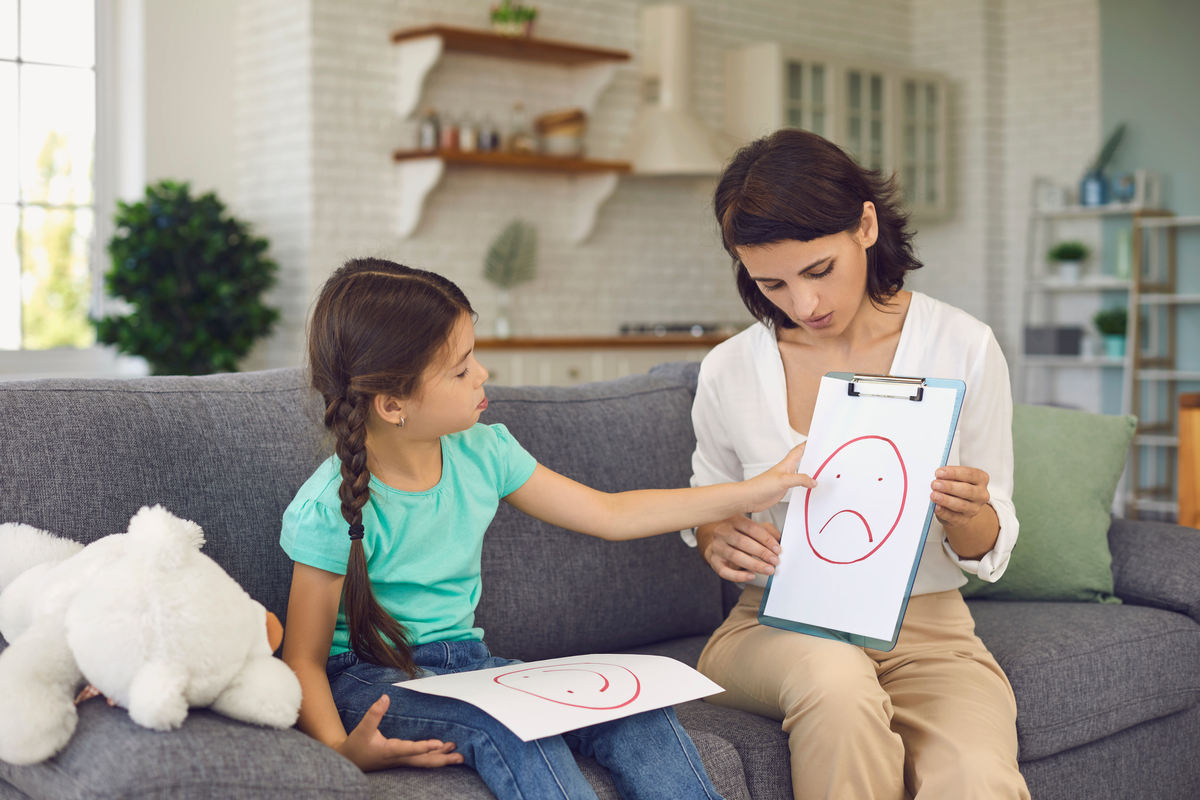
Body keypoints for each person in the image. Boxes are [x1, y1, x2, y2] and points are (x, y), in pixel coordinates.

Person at [280, 258, 815, 800]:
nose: (483, 374)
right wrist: (342, 750)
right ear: (393, 404)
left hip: (469, 665)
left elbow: (610, 514)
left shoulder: (486, 452)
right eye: (461, 369)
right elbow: (303, 658)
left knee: (632, 712)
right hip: (371, 682)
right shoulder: (329, 509)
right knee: (511, 728)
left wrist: (755, 491)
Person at [686, 129, 1030, 800]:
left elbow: (990, 546)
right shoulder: (729, 369)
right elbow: (707, 508)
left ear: (866, 224)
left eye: (819, 271)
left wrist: (969, 513)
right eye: (771, 283)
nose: (804, 305)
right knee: (836, 680)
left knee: (976, 777)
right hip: (774, 625)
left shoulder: (963, 345)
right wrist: (715, 536)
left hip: (929, 632)